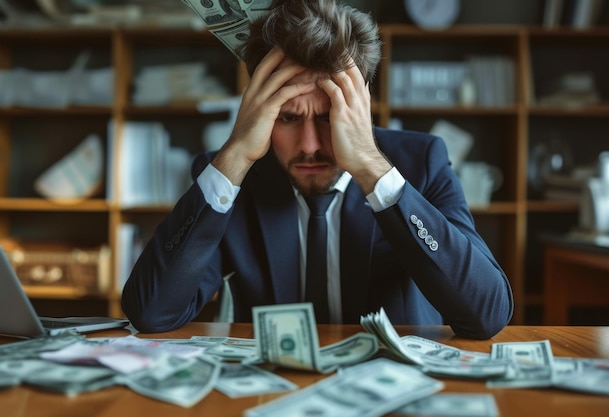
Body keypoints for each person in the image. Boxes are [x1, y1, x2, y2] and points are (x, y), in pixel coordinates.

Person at [121, 0, 513, 340]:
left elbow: (487, 314)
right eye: (287, 118)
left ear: (361, 106)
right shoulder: (233, 178)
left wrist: (371, 169)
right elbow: (152, 313)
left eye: (327, 117)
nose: (309, 145)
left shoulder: (421, 163)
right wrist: (236, 154)